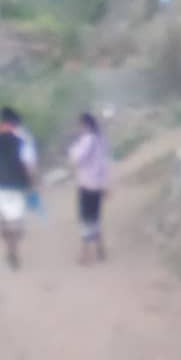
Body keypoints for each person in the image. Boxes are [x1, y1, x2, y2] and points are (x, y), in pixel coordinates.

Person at [0, 106, 37, 269]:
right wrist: (32, 184)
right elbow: (28, 163)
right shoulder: (23, 138)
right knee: (17, 223)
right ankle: (13, 249)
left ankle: (10, 247)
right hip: (16, 185)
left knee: (4, 221)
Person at [68, 112, 110, 265]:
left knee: (86, 219)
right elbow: (105, 164)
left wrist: (74, 146)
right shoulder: (101, 140)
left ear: (84, 125)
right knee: (95, 218)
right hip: (97, 184)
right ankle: (100, 249)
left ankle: (85, 255)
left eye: (79, 125)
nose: (77, 128)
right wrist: (105, 185)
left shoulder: (87, 140)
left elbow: (76, 159)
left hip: (86, 184)